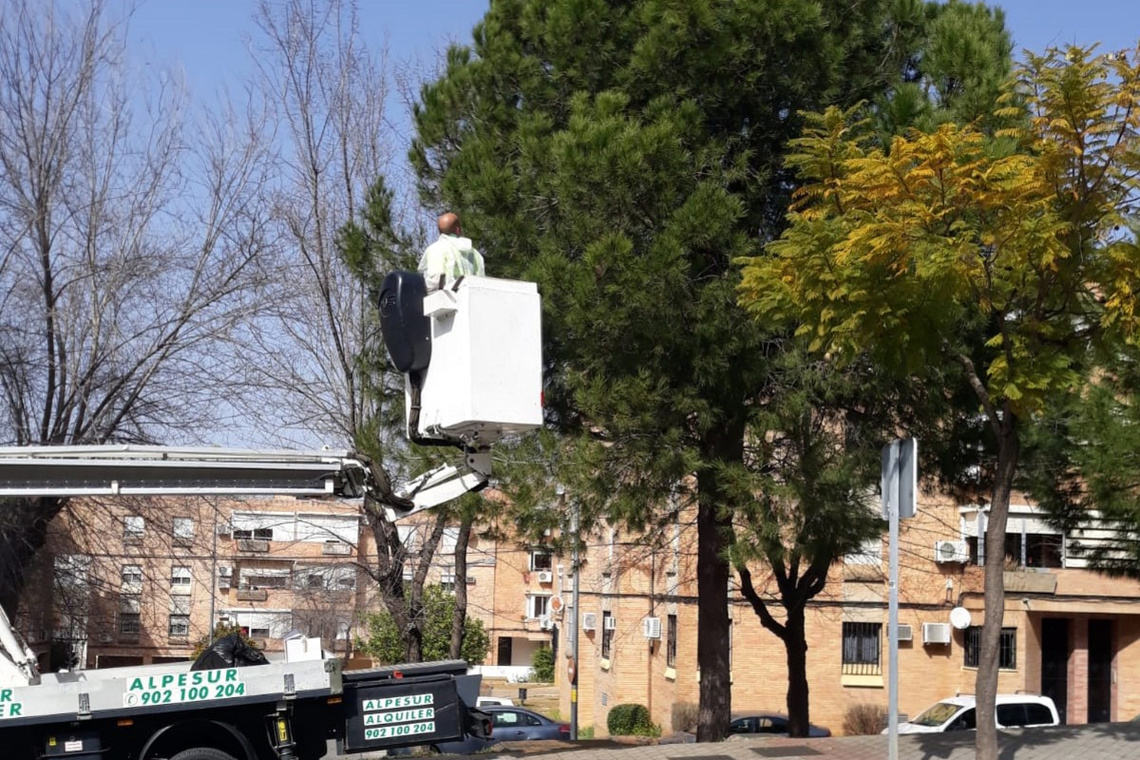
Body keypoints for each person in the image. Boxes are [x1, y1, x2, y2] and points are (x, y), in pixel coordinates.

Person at [418, 212, 485, 289]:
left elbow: (434, 282)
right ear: (458, 229)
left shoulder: (436, 248)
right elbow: (481, 282)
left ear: (439, 231)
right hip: (472, 299)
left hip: (445, 298)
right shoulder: (476, 254)